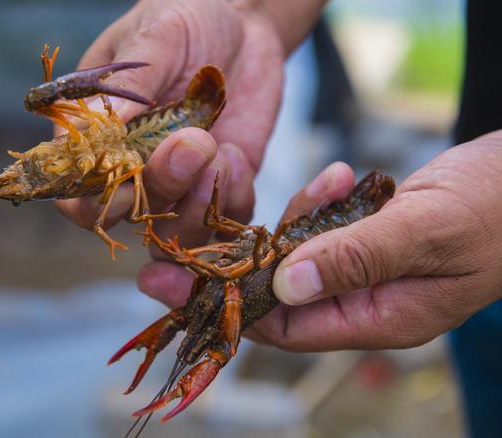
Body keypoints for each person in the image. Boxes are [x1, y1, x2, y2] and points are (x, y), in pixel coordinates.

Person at [56, 1, 502, 435]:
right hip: (470, 223)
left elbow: (227, 313)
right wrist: (250, 13)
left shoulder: (230, 289)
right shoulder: (227, 288)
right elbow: (221, 307)